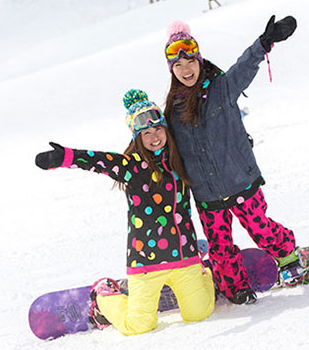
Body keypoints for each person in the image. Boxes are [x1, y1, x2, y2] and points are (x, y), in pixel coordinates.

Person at [34, 89, 215, 336]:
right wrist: (65, 157)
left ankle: (207, 271)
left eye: (158, 129)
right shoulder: (130, 166)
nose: (154, 137)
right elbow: (100, 161)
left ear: (166, 130)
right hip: (146, 261)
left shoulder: (180, 159)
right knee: (138, 326)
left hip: (185, 256)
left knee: (199, 314)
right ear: (137, 137)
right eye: (146, 133)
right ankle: (103, 296)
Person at [161, 17, 305, 304]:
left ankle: (288, 255)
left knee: (260, 228)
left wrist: (265, 43)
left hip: (240, 180)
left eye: (189, 61)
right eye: (178, 65)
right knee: (220, 246)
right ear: (171, 70)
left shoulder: (221, 88)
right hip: (206, 194)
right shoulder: (172, 111)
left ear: (199, 60)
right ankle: (236, 286)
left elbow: (244, 66)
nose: (185, 69)